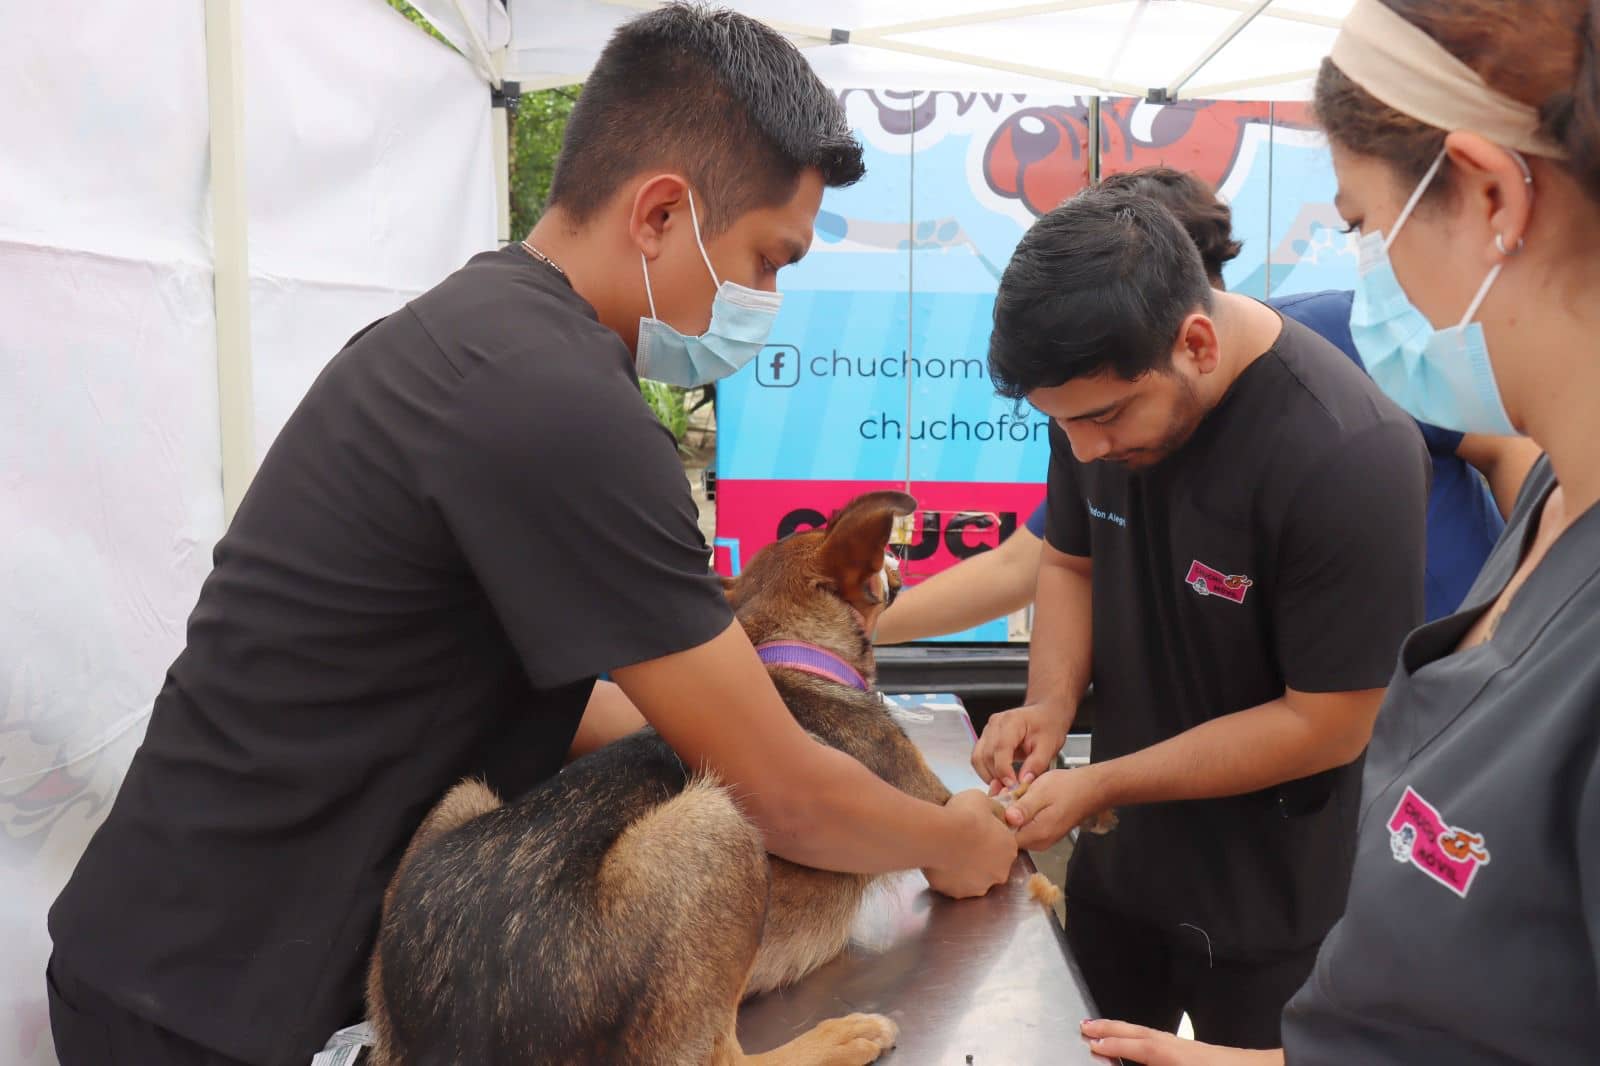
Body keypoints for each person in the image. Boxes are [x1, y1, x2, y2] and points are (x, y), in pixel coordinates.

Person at [42, 8, 1016, 1066]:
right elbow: (772, 791)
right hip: (204, 1007)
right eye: (765, 261)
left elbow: (553, 691)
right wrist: (944, 838)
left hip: (162, 961)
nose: (766, 300)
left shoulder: (476, 338)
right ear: (658, 214)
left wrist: (743, 726)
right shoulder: (560, 405)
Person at [1078, 0, 1600, 1062]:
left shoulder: (1345, 445)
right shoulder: (1553, 496)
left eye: (1362, 225)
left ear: (1492, 194)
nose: (1366, 281)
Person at [969, 181, 1432, 1048]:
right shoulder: (1092, 395)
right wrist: (1051, 703)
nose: (1085, 450)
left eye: (1104, 419)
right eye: (1060, 426)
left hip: (1278, 900)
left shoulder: (1349, 453)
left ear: (1198, 342)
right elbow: (1069, 562)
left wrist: (1102, 781)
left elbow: (1327, 722)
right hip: (1121, 868)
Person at [873, 167, 1540, 645]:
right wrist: (853, 632)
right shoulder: (1125, 419)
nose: (1088, 441)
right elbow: (1034, 561)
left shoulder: (1344, 340)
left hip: (1458, 666)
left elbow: (1510, 445)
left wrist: (1516, 609)